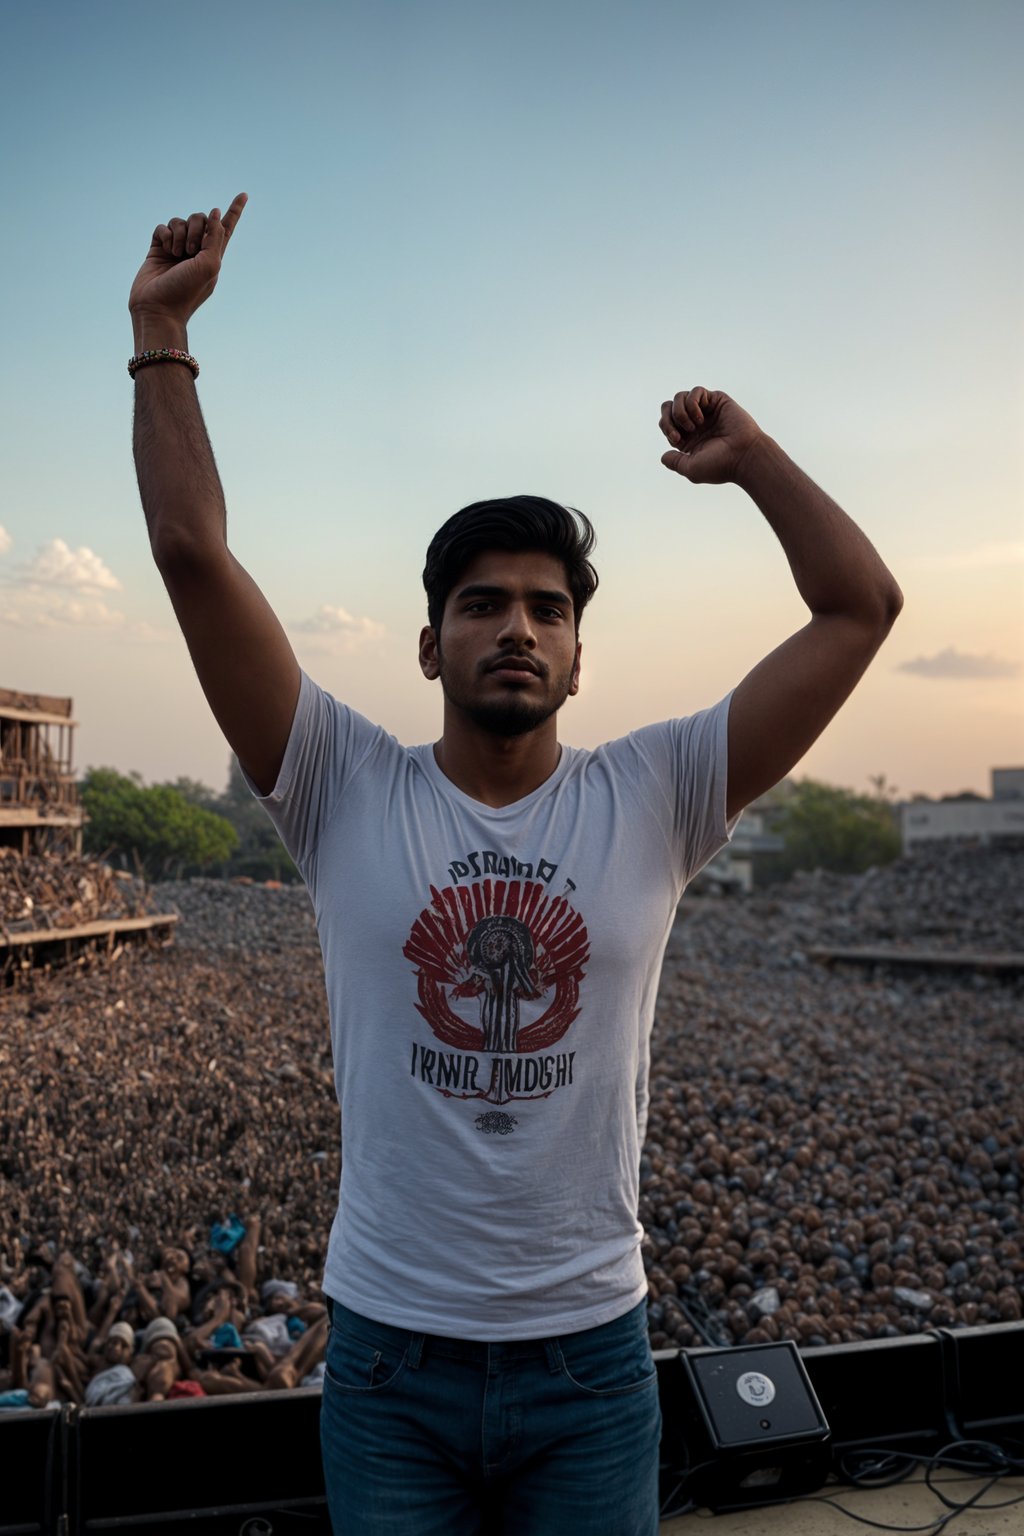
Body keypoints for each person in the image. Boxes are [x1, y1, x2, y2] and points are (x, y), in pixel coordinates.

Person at [128, 194, 903, 1535]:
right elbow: (195, 556)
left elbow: (860, 607)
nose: (518, 629)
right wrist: (160, 337)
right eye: (481, 604)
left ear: (580, 654)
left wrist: (760, 456)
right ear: (429, 646)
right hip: (388, 1360)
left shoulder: (656, 794)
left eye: (549, 607)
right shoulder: (341, 786)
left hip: (592, 1359)